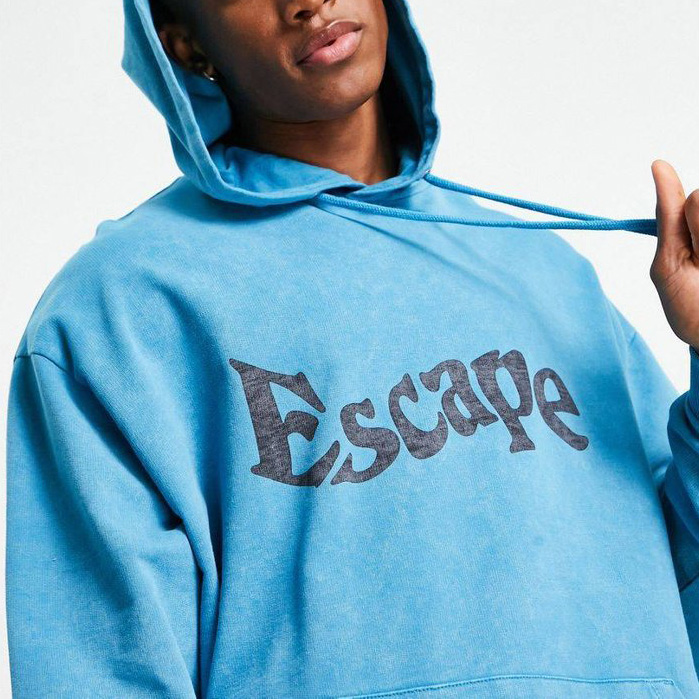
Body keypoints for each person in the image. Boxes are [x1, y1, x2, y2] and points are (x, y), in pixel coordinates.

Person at [5, 0, 699, 696]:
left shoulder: (543, 270)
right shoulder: (119, 308)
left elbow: (683, 590)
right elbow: (101, 671)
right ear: (187, 46)